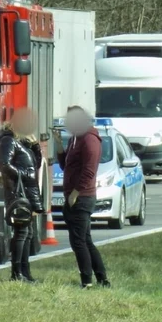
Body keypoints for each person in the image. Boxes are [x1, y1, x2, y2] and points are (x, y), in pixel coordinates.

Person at [55, 106, 110, 289]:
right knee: (84, 239)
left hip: (83, 197)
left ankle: (87, 281)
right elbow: (66, 167)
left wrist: (75, 193)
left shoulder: (89, 139)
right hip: (73, 196)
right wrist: (59, 146)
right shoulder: (74, 139)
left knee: (78, 241)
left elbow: (89, 170)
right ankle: (102, 279)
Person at [0, 108, 45, 283]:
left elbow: (36, 164)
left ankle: (25, 272)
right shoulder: (8, 141)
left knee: (28, 233)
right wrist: (24, 174)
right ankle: (17, 273)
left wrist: (35, 146)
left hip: (29, 192)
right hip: (19, 192)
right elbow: (4, 164)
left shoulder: (23, 142)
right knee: (21, 232)